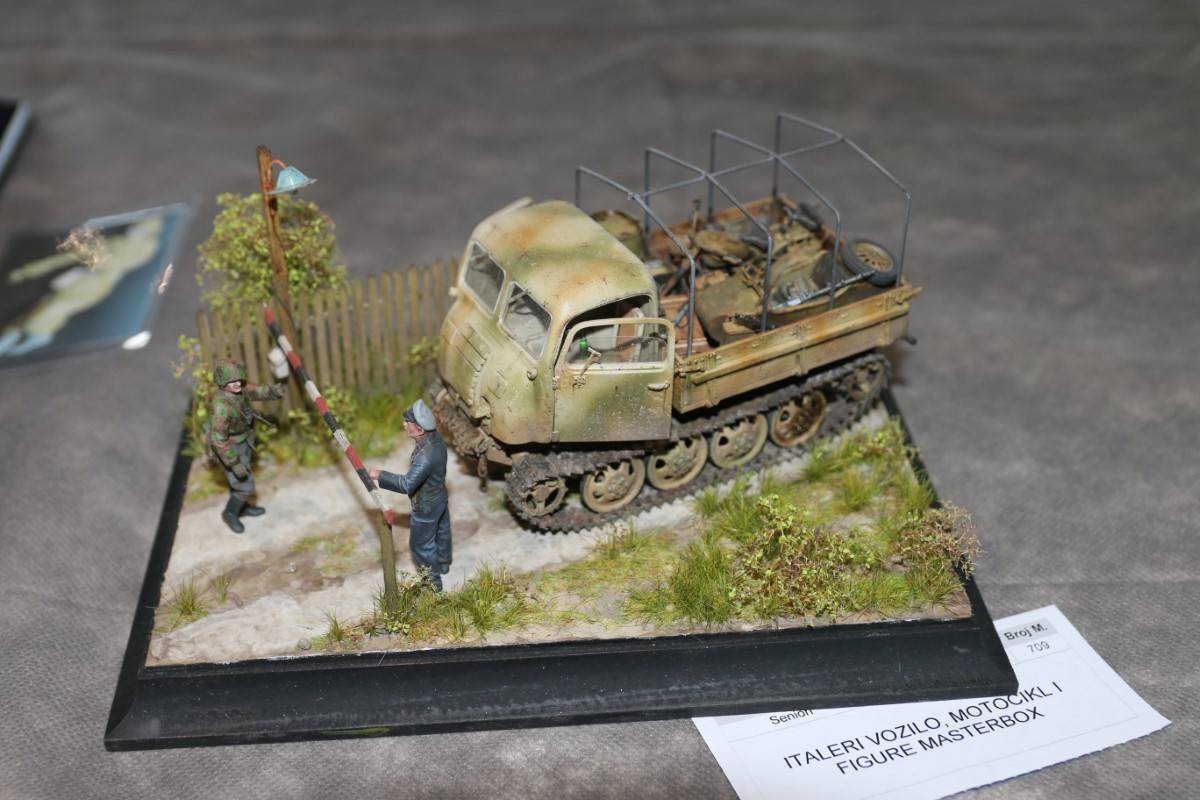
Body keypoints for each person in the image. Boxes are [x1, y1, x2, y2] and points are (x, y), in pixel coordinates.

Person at [369, 399, 452, 591]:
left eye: (408, 422)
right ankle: (444, 562)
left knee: (420, 545)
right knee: (442, 529)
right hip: (440, 494)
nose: (404, 424)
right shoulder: (436, 438)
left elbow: (406, 484)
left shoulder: (425, 457)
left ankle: (433, 584)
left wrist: (381, 475)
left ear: (420, 429)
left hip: (427, 503)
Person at [207, 357, 284, 533]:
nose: (237, 383)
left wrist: (272, 392)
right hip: (229, 448)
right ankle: (230, 513)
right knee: (245, 485)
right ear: (222, 382)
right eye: (231, 381)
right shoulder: (220, 407)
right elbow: (219, 440)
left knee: (238, 480)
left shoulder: (240, 389)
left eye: (238, 379)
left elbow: (257, 390)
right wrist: (234, 462)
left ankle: (242, 507)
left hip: (244, 440)